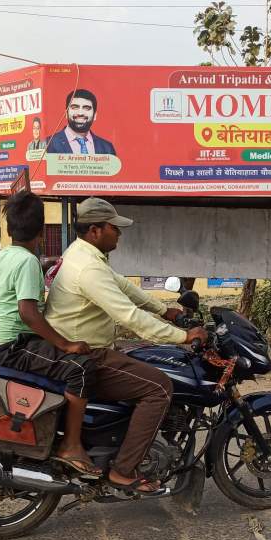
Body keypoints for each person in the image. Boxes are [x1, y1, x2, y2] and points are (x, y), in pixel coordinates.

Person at [45, 197, 207, 493]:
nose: (119, 233)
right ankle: (124, 470)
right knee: (159, 387)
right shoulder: (89, 268)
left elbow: (123, 286)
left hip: (82, 349)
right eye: (114, 228)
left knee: (143, 365)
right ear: (95, 230)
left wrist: (164, 311)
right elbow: (128, 316)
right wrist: (183, 336)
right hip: (89, 355)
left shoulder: (85, 256)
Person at [0, 191, 102, 478]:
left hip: (3, 341)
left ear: (10, 229)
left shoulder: (9, 255)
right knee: (81, 368)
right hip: (17, 345)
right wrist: (66, 344)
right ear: (41, 230)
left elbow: (20, 279)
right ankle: (71, 446)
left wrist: (44, 264)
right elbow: (28, 313)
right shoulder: (26, 262)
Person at [45, 89, 117, 156]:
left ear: (95, 115)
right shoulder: (48, 144)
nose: (80, 113)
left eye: (86, 108)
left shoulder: (107, 148)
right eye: (75, 107)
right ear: (66, 113)